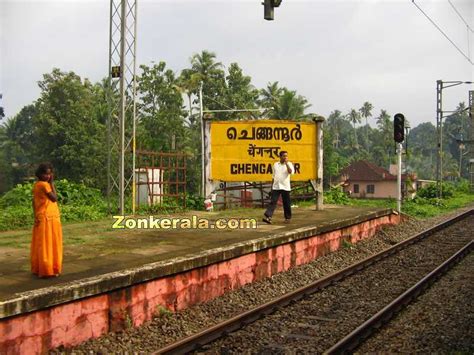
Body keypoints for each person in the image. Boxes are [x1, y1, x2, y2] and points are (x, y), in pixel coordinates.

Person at [31, 162, 63, 278]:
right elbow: (54, 198)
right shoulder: (44, 185)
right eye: (45, 174)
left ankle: (41, 268)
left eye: (49, 174)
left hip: (45, 216)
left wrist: (35, 216)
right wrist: (52, 183)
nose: (48, 176)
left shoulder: (36, 185)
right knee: (48, 244)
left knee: (43, 244)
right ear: (40, 174)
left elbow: (34, 202)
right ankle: (47, 269)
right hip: (47, 218)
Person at [262, 151, 294, 224]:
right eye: (284, 156)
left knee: (286, 203)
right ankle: (268, 217)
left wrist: (286, 164)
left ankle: (288, 218)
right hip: (276, 186)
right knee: (273, 202)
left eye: (286, 156)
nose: (285, 157)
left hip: (285, 187)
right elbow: (273, 176)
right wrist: (272, 187)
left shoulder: (289, 164)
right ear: (280, 157)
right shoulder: (276, 164)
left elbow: (290, 172)